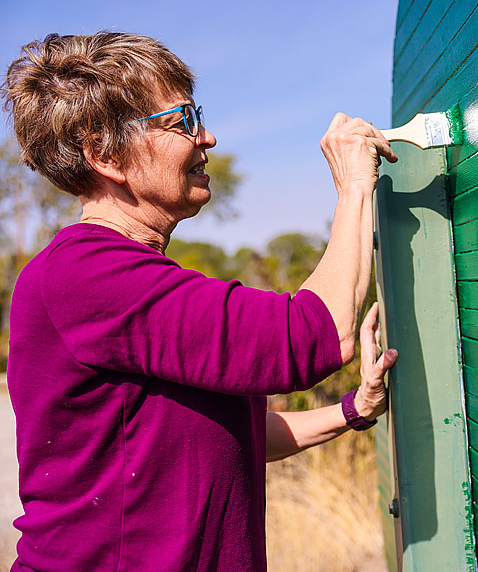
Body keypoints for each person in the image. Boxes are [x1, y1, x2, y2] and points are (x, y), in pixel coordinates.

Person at [1, 31, 399, 571]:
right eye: (182, 120)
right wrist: (354, 185)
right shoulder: (84, 274)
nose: (207, 137)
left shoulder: (125, 279)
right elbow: (315, 335)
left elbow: (234, 436)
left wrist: (355, 409)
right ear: (105, 154)